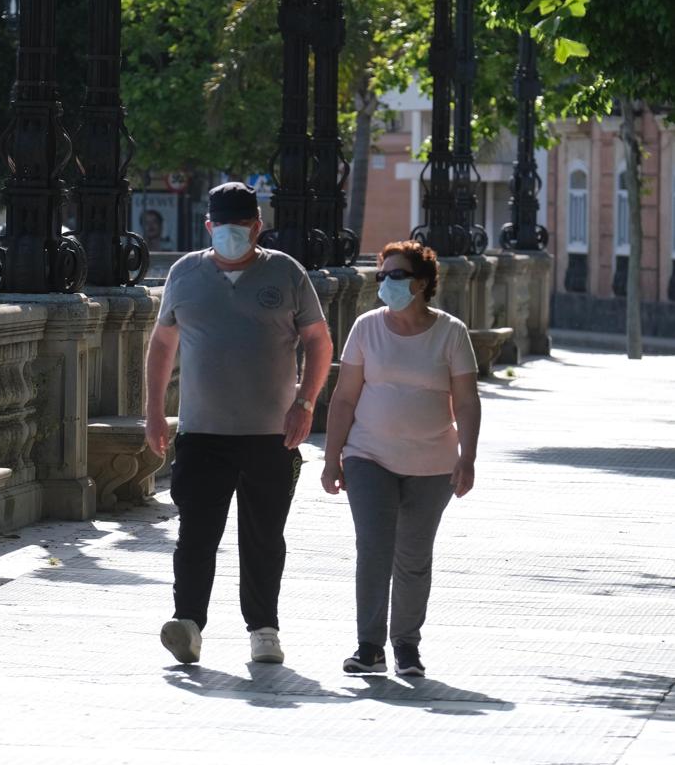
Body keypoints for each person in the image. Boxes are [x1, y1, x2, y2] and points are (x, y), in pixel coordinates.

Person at [145, 181, 333, 666]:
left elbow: (318, 342)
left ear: (257, 227)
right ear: (209, 227)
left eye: (242, 227)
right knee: (195, 533)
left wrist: (306, 403)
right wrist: (153, 412)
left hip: (272, 434)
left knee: (264, 536)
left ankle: (263, 629)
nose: (232, 235)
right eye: (223, 227)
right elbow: (162, 345)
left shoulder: (286, 273)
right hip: (202, 433)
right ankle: (187, 623)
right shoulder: (185, 274)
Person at [321, 240, 481, 678]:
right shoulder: (365, 328)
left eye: (397, 275)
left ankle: (406, 646)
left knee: (412, 555)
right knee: (374, 547)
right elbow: (344, 397)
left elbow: (466, 402)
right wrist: (332, 457)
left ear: (423, 282)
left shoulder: (450, 332)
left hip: (433, 463)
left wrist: (467, 457)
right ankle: (369, 645)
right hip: (368, 454)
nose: (387, 283)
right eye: (382, 276)